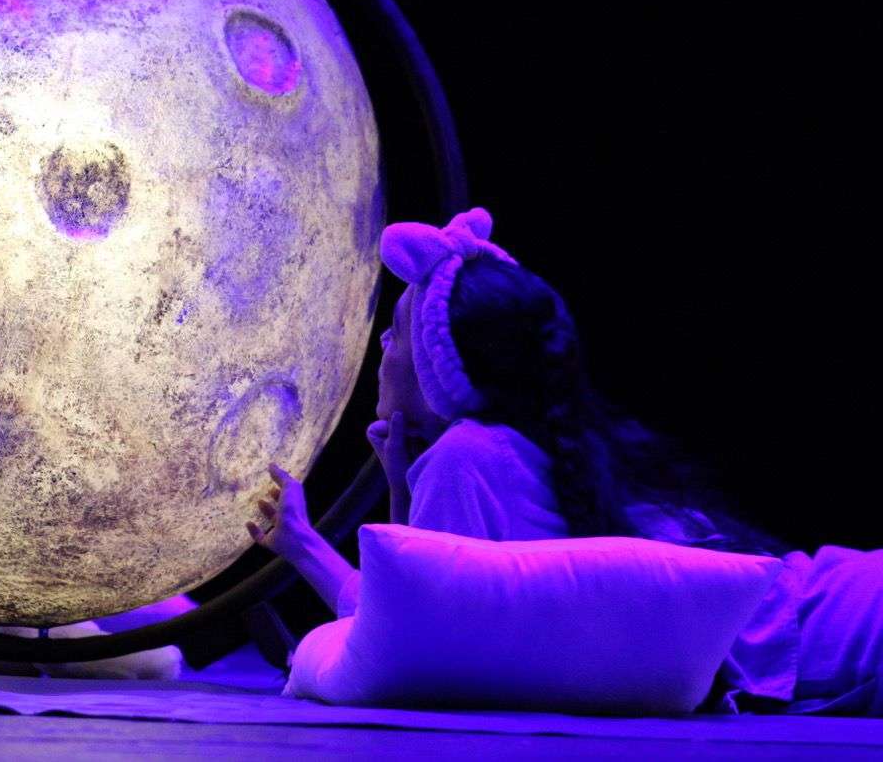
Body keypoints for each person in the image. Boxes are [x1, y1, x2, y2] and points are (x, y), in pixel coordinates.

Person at [248, 207, 883, 716]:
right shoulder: (526, 445)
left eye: (398, 332)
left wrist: (308, 545)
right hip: (836, 609)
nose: (383, 344)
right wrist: (385, 494)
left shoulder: (466, 458)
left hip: (835, 640)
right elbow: (411, 614)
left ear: (441, 372)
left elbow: (406, 643)